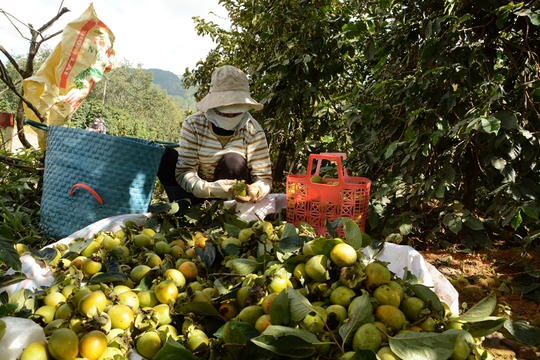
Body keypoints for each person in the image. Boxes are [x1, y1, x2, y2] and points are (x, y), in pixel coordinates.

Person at [158, 65, 272, 204]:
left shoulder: (253, 131)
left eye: (235, 112)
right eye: (224, 111)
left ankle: (226, 212)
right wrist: (209, 189)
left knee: (233, 161)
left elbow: (263, 178)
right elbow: (185, 171)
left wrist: (256, 189)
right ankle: (184, 208)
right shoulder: (194, 124)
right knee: (166, 156)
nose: (230, 116)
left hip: (234, 197)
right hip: (196, 192)